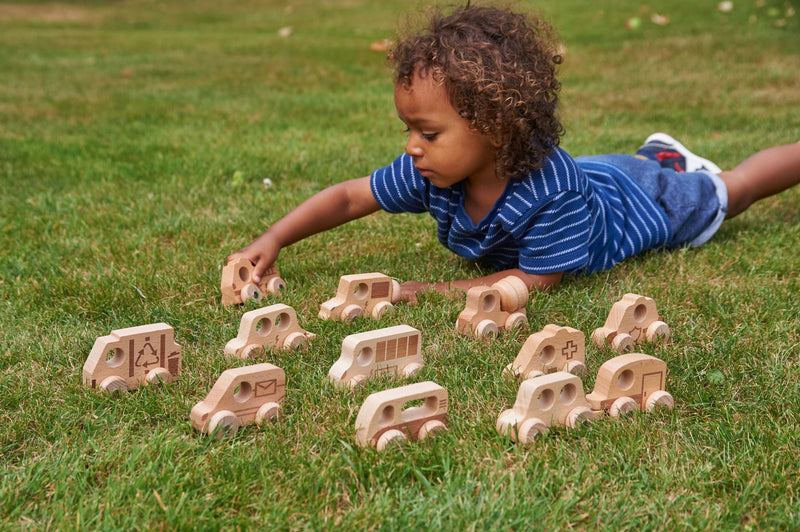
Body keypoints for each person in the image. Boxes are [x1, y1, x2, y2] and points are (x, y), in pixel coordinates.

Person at [228, 4, 800, 302]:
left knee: (735, 188)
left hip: (640, 201)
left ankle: (671, 168)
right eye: (409, 130)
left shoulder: (555, 198)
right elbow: (352, 196)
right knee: (628, 167)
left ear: (496, 127)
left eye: (427, 133)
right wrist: (273, 239)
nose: (411, 146)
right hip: (600, 173)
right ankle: (659, 156)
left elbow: (533, 279)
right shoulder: (433, 172)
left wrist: (421, 291)